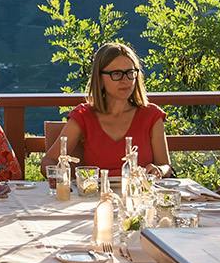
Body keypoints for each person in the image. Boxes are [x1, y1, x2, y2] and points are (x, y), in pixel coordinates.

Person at [42, 41, 170, 174]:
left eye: (130, 73)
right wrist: (64, 180)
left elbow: (165, 165)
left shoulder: (151, 115)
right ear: (100, 78)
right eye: (116, 74)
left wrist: (159, 170)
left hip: (139, 193)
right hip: (95, 193)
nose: (125, 80)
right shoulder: (83, 115)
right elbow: (48, 161)